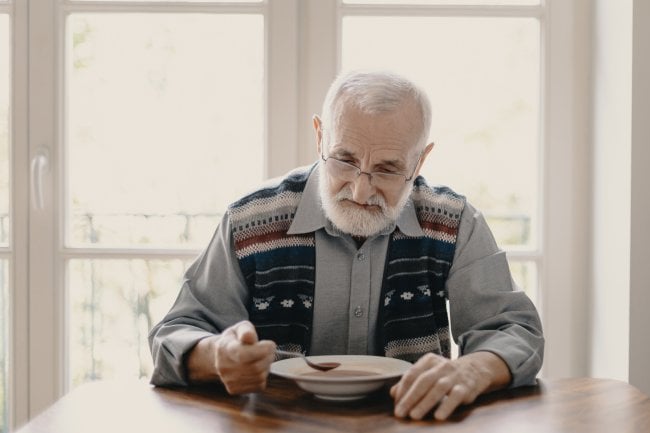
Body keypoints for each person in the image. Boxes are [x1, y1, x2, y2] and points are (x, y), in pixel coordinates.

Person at [148, 70, 544, 421]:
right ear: (321, 136)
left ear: (420, 162)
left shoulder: (454, 221)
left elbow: (515, 330)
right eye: (344, 160)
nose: (360, 189)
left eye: (387, 169)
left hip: (412, 422)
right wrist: (216, 357)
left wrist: (473, 368)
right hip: (273, 425)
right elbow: (175, 333)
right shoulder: (250, 218)